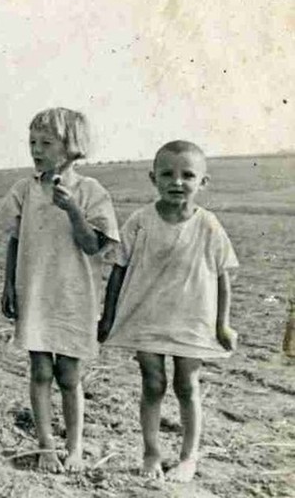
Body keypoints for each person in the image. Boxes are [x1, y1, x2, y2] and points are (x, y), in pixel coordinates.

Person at [98, 140, 238, 482]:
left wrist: (223, 326)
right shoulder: (140, 220)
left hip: (193, 318)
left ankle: (188, 457)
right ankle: (151, 452)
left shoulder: (208, 225)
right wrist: (108, 316)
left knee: (187, 384)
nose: (177, 182)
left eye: (187, 175)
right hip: (147, 316)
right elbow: (118, 269)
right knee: (153, 382)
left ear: (203, 182)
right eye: (167, 174)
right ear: (153, 178)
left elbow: (222, 277)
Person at [0, 107, 119, 472]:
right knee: (40, 372)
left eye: (46, 143)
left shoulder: (90, 191)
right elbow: (15, 240)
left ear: (72, 147)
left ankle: (75, 447)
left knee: (69, 376)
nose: (36, 149)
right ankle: (46, 446)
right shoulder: (25, 190)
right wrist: (8, 285)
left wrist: (73, 211)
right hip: (34, 292)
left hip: (73, 296)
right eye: (32, 141)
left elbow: (93, 245)